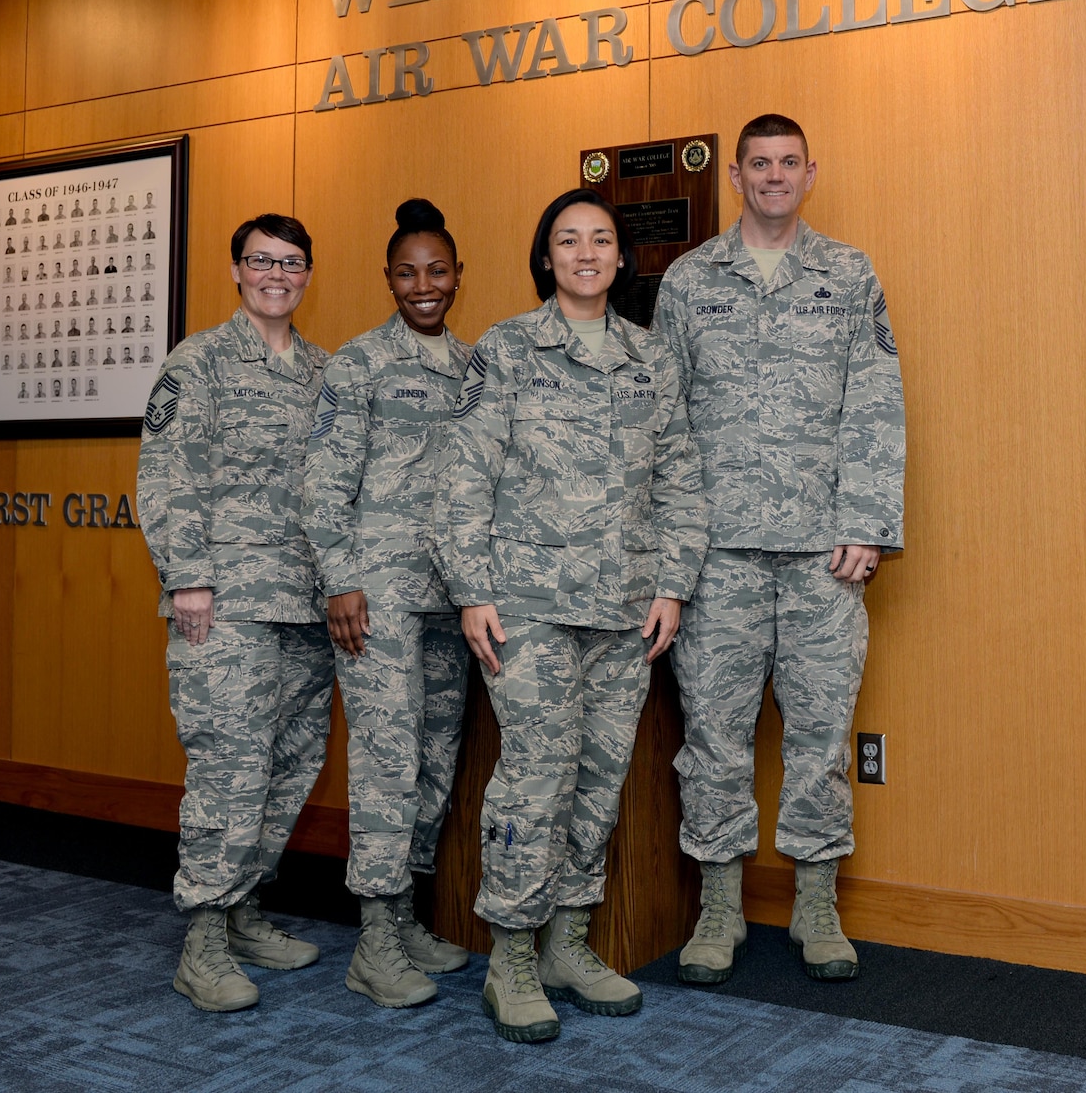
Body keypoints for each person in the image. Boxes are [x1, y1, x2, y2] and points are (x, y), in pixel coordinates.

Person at [435, 188, 706, 1044]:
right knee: (537, 770)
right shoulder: (508, 350)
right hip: (529, 606)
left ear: (622, 259)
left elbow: (682, 481)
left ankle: (568, 939)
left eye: (600, 240)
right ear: (545, 257)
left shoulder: (652, 359)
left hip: (625, 608)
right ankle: (509, 951)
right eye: (567, 240)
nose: (585, 253)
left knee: (599, 774)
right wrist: (473, 589)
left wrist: (672, 586)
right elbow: (462, 477)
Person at [651, 113, 906, 986]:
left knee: (821, 734)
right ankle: (719, 906)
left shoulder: (849, 274)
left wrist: (866, 523)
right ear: (735, 174)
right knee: (714, 736)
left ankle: (815, 903)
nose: (772, 175)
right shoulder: (688, 282)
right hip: (716, 554)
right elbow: (665, 421)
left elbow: (876, 403)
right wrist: (672, 551)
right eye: (757, 163)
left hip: (820, 554)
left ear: (810, 172)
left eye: (787, 162)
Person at [136, 213, 330, 1013]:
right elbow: (165, 473)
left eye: (290, 262)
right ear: (237, 270)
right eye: (261, 261)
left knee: (291, 764)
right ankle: (204, 936)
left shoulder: (323, 370)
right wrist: (188, 579)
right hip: (226, 605)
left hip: (307, 607)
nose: (275, 274)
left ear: (308, 274)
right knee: (228, 765)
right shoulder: (201, 361)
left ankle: (247, 907)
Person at [300, 199, 476, 1009]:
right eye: (407, 272)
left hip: (452, 601)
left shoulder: (476, 370)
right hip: (378, 601)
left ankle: (405, 915)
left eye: (437, 270)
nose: (424, 284)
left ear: (458, 276)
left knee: (435, 760)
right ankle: (373, 937)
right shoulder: (358, 363)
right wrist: (339, 577)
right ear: (388, 280)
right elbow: (325, 483)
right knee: (385, 761)